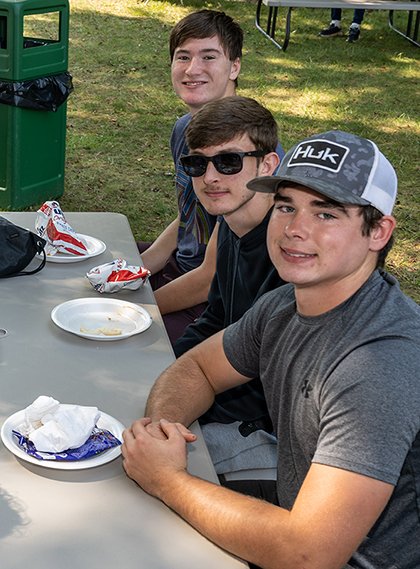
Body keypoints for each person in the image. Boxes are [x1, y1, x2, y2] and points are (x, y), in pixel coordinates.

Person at [122, 130, 420, 568]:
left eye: (326, 214)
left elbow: (308, 554)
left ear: (378, 232)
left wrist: (166, 478)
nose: (295, 230)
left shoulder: (380, 362)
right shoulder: (285, 303)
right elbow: (199, 370)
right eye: (286, 207)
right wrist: (163, 431)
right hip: (291, 515)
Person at [171, 96, 286, 477]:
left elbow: (267, 386)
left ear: (268, 165)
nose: (211, 177)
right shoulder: (233, 224)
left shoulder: (290, 251)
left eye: (229, 161)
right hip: (221, 396)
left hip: (267, 433)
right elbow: (216, 317)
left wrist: (179, 399)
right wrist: (165, 368)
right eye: (197, 164)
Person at [137, 10, 242, 344]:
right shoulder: (185, 129)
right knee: (80, 276)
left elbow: (211, 277)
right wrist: (141, 265)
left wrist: (138, 305)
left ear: (234, 67)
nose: (193, 69)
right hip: (181, 267)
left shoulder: (246, 152)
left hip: (218, 304)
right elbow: (190, 212)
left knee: (117, 343)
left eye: (208, 57)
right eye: (183, 57)